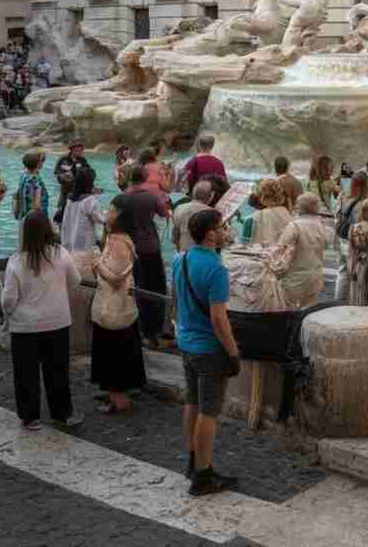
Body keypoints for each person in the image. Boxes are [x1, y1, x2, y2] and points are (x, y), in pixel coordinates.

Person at [172, 208, 240, 497]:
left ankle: (191, 458)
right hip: (209, 349)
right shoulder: (217, 269)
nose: (227, 231)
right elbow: (218, 318)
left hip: (186, 343)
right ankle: (203, 475)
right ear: (211, 234)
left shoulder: (181, 259)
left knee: (192, 401)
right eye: (223, 227)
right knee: (209, 412)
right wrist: (233, 352)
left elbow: (174, 299)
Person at [3, 211, 84, 431]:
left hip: (24, 325)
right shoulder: (61, 254)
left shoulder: (16, 261)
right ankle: (62, 414)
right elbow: (75, 281)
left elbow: (9, 298)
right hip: (57, 321)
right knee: (57, 370)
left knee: (25, 373)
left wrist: (8, 314)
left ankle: (30, 417)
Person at [90, 194, 147, 415]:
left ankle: (119, 399)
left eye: (111, 210)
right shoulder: (122, 238)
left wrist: (96, 264)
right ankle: (117, 391)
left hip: (112, 305)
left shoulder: (117, 241)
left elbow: (115, 278)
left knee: (111, 349)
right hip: (121, 304)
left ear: (121, 216)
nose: (107, 212)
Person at [127, 165, 171, 349]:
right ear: (144, 178)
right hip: (150, 247)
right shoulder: (150, 197)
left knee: (135, 286)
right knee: (156, 288)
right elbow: (164, 213)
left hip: (130, 247)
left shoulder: (123, 197)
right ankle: (153, 330)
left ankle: (137, 327)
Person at [263, 193, 329, 308]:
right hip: (316, 275)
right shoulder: (322, 225)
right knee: (308, 309)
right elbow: (326, 244)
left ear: (299, 206)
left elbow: (281, 249)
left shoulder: (294, 226)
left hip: (295, 277)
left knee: (287, 308)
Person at [334, 171, 368, 302]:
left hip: (342, 238)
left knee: (343, 271)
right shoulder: (363, 203)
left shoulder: (343, 196)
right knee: (356, 273)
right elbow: (360, 225)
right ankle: (354, 303)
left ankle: (339, 302)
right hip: (354, 241)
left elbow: (337, 215)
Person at [60, 167, 107, 252]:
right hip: (84, 245)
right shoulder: (90, 200)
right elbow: (101, 219)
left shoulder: (70, 198)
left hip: (68, 243)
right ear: (90, 183)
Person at [247, 178, 293, 247]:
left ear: (262, 196)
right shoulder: (287, 213)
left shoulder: (255, 217)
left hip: (262, 254)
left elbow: (248, 245)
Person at [172, 181, 213, 253]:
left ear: (193, 193)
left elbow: (175, 235)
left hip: (183, 253)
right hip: (202, 254)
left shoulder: (179, 208)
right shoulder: (212, 213)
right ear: (211, 196)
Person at [15, 149, 49, 221]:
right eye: (41, 161)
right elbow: (37, 204)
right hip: (34, 219)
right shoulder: (36, 180)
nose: (42, 163)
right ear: (38, 164)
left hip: (24, 216)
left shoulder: (24, 175)